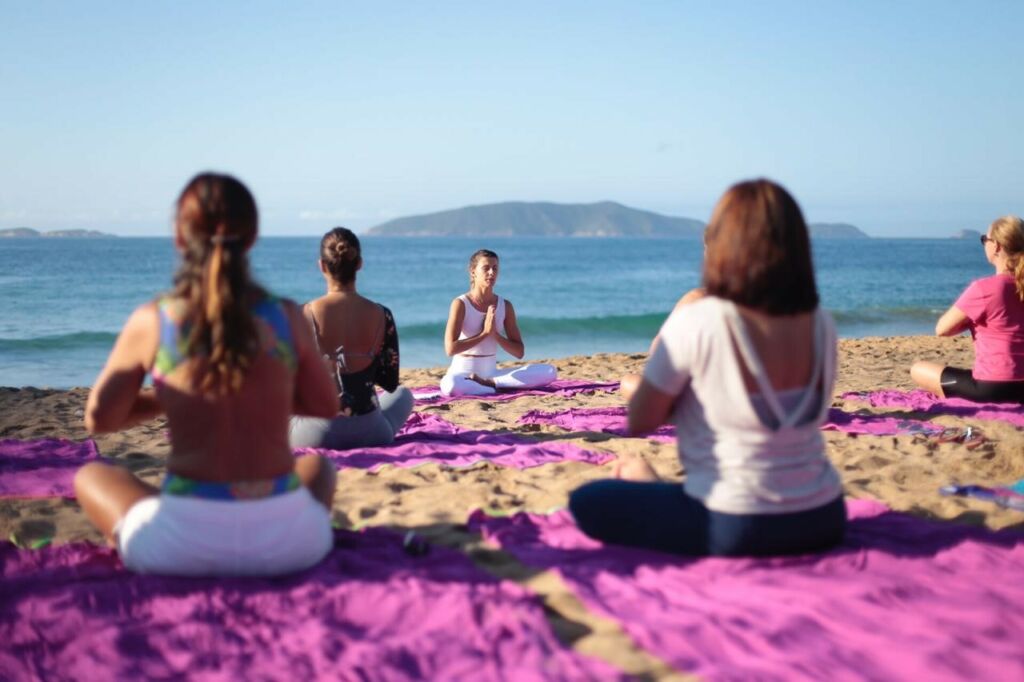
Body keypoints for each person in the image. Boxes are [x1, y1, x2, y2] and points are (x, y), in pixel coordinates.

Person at [74, 173, 340, 577]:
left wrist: (174, 394)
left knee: (93, 475)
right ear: (251, 239)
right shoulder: (285, 315)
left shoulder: (156, 319)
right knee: (319, 469)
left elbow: (100, 418)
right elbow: (325, 404)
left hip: (183, 548)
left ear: (181, 239)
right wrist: (257, 391)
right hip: (287, 544)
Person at [569, 179, 846, 557]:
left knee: (589, 500)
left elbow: (642, 418)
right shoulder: (820, 322)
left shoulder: (700, 318)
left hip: (736, 522)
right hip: (824, 516)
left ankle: (650, 483)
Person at [289, 227, 413, 448]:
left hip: (315, 436)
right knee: (404, 395)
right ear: (359, 264)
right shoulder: (382, 314)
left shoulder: (301, 315)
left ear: (322, 265)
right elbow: (390, 382)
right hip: (371, 433)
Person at [910, 216, 1024, 403]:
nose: (984, 244)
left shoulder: (985, 288)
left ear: (996, 246)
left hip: (993, 388)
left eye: (984, 240)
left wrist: (973, 319)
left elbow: (942, 330)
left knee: (918, 369)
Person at [440, 249, 557, 396]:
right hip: (462, 374)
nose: (491, 272)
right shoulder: (461, 304)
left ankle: (490, 384)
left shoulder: (505, 306)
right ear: (473, 272)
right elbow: (450, 349)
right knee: (450, 386)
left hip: (492, 374)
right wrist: (484, 334)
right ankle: (493, 388)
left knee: (550, 371)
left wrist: (495, 335)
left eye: (495, 268)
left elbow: (519, 352)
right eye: (486, 268)